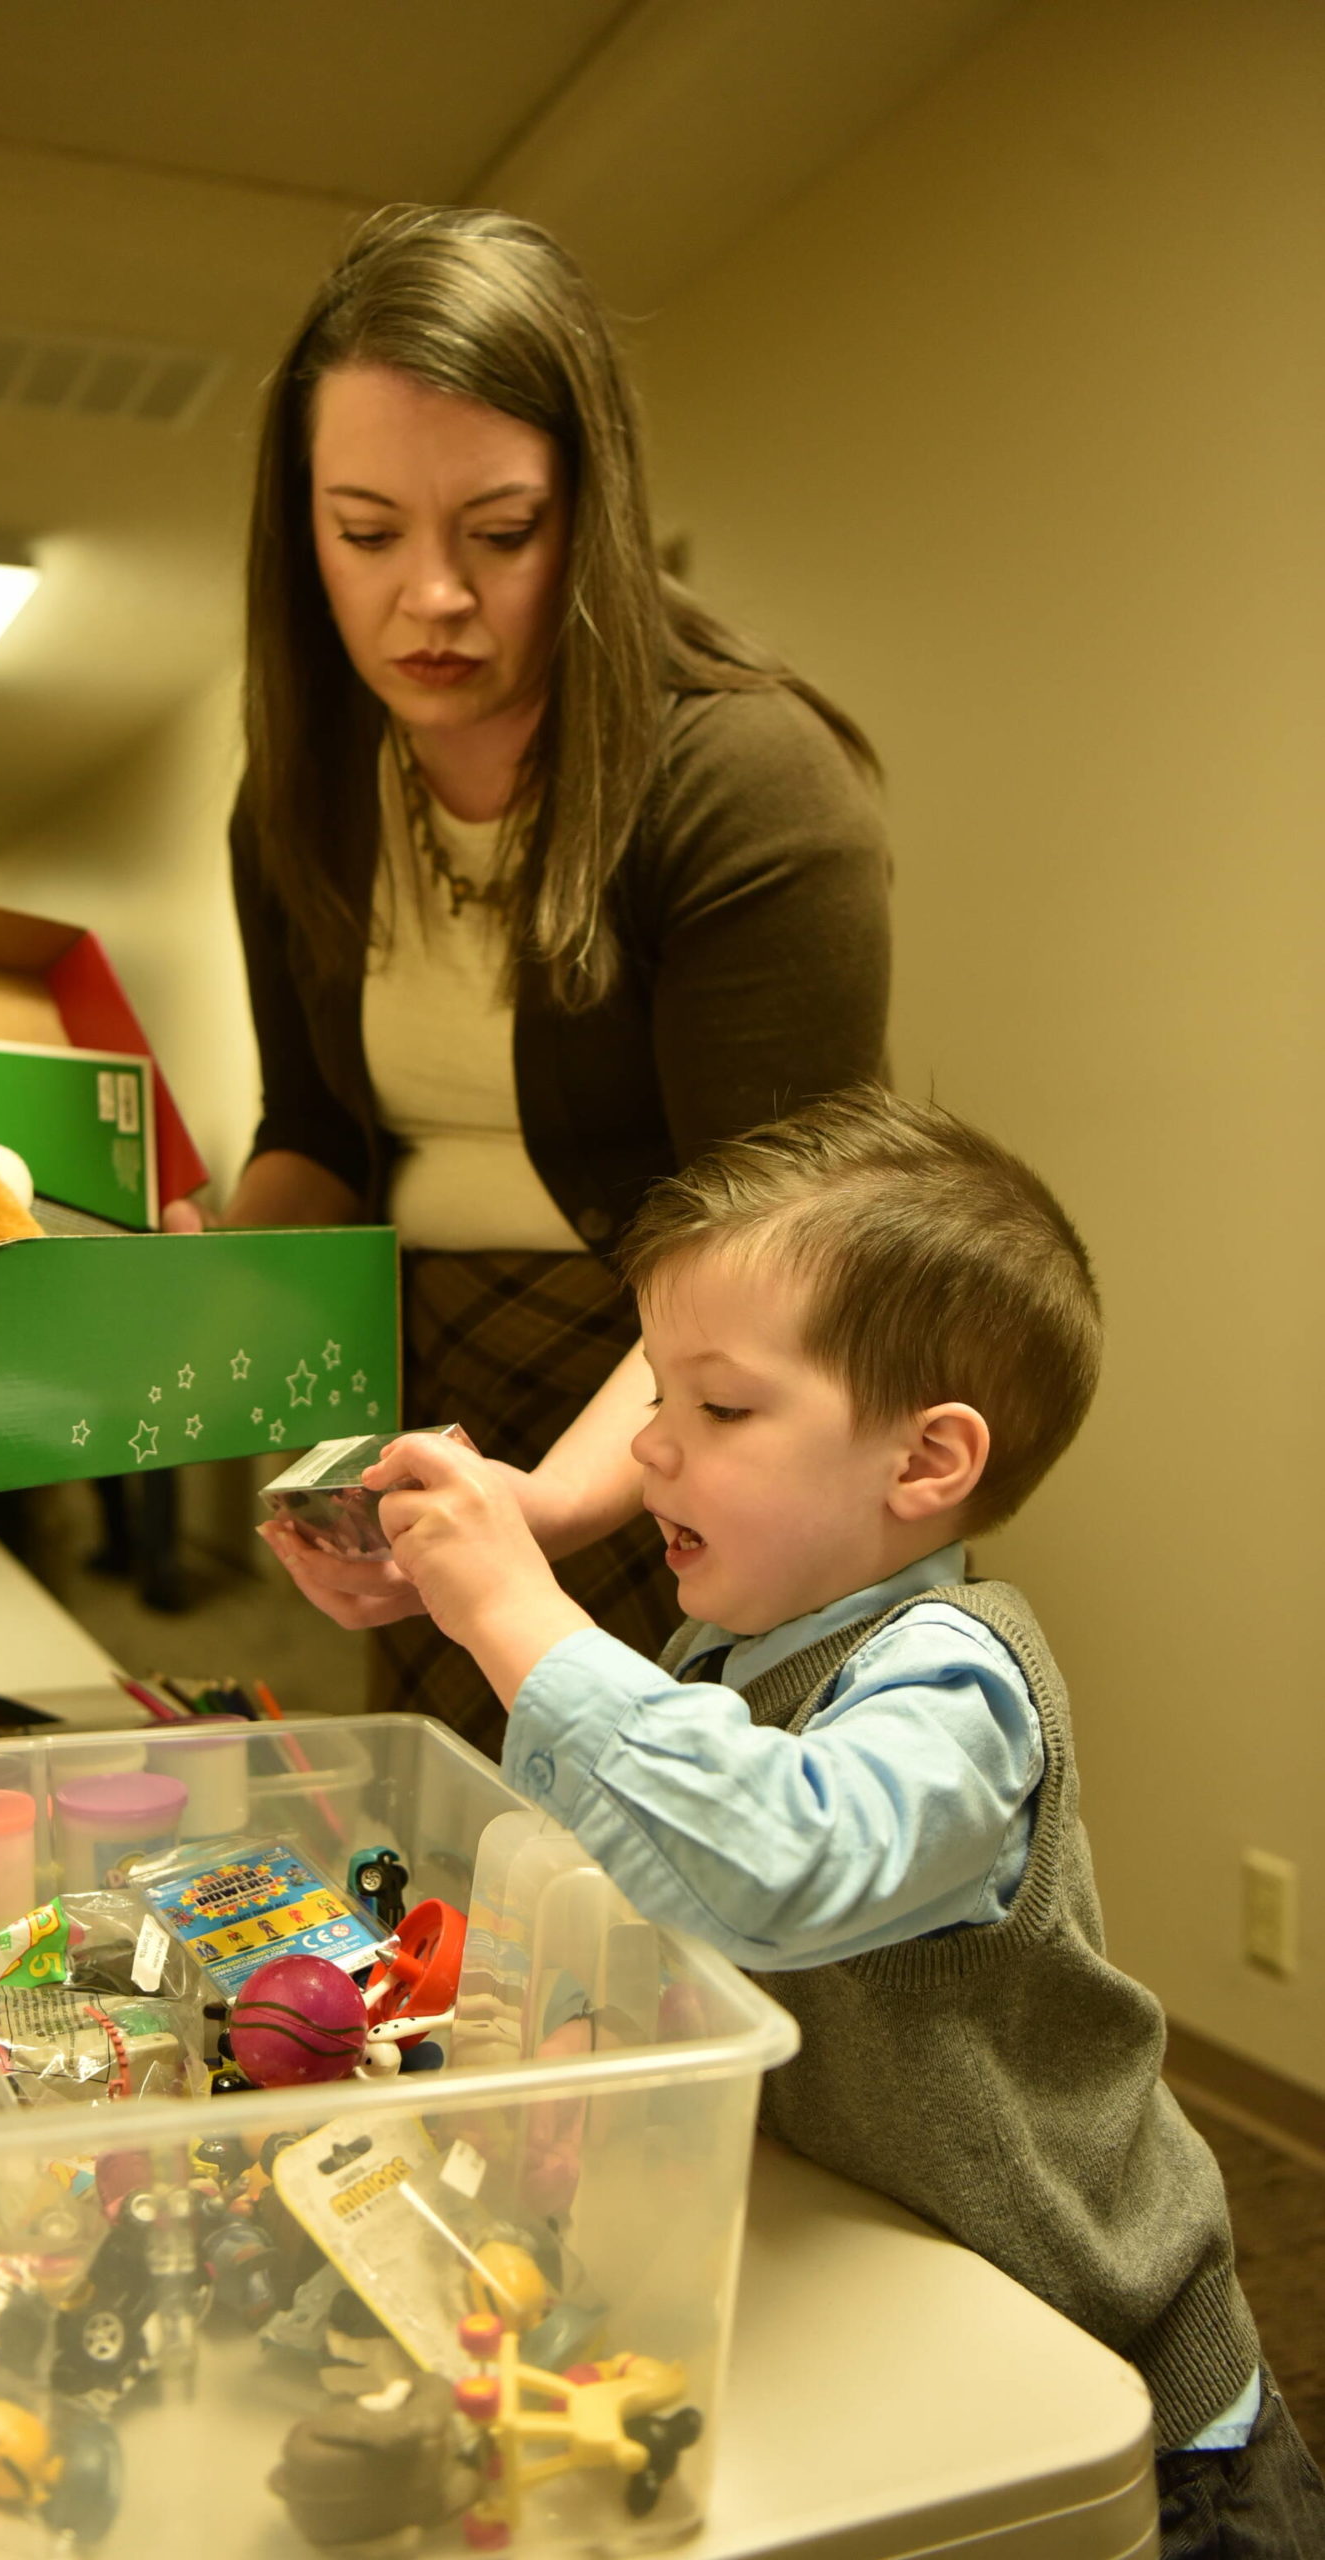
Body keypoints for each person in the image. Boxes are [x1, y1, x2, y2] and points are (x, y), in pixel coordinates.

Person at [362, 1088, 1325, 2555]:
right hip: (887, 2269)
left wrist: (514, 1611)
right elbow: (658, 1873)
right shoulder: (731, 1650)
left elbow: (785, 1862)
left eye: (722, 1408)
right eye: (655, 1405)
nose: (659, 1455)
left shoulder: (959, 1682)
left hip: (1103, 2362)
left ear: (928, 1462)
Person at [165, 203, 891, 1757]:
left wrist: (547, 1506)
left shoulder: (747, 783)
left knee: (695, 1905)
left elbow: (774, 1245)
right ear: (301, 528)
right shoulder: (296, 795)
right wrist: (212, 1298)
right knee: (466, 1919)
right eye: (367, 534)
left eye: (498, 533)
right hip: (450, 1396)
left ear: (591, 517)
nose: (431, 596)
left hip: (699, 1413)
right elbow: (318, 1135)